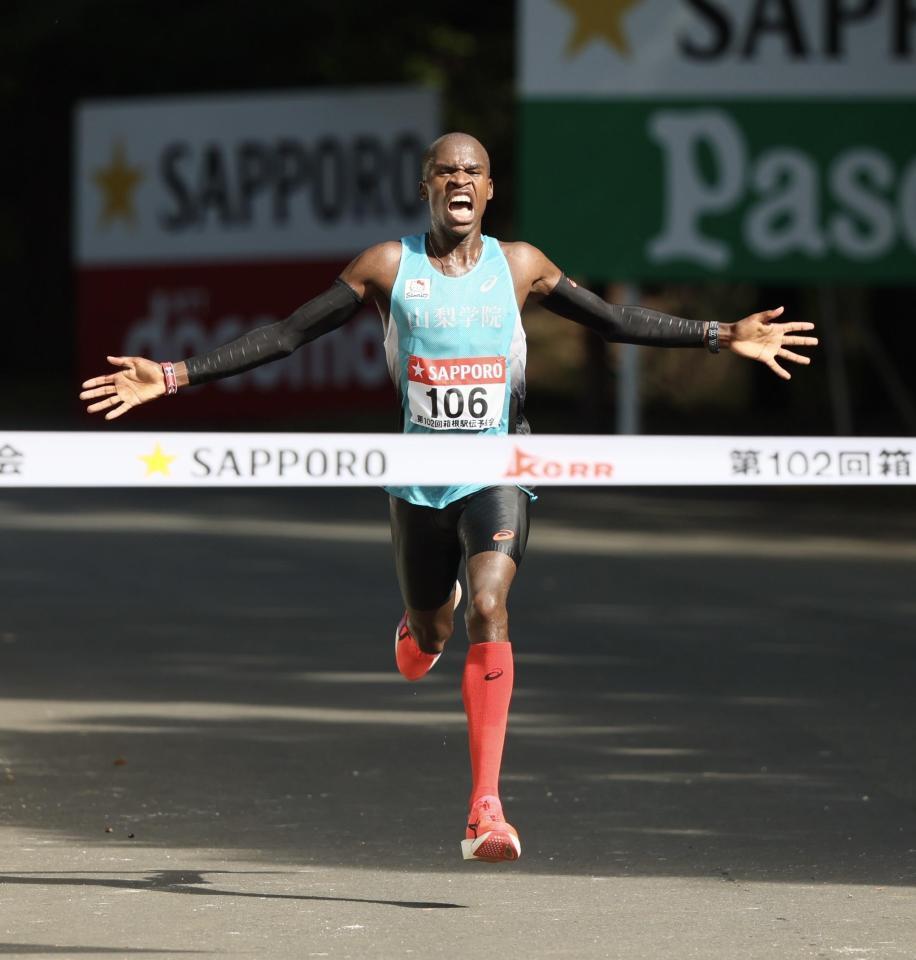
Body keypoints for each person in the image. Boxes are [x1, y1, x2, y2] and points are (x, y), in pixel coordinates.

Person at [80, 132, 818, 864]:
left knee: (490, 604)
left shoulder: (520, 266)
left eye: (473, 171)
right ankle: (417, 629)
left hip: (499, 469)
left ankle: (485, 810)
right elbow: (289, 335)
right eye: (445, 171)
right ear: (426, 186)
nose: (460, 180)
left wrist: (724, 333)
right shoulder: (386, 266)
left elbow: (614, 319)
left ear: (489, 191)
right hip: (417, 480)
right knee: (431, 638)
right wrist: (174, 375)